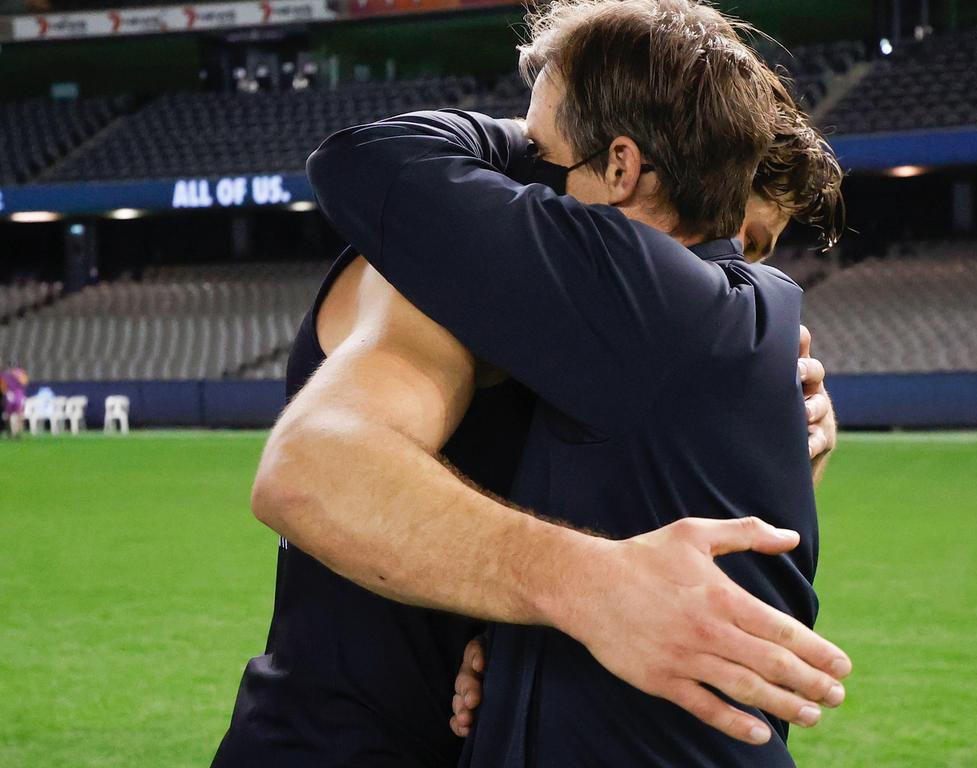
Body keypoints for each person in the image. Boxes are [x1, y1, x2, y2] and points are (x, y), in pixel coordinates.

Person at [212, 2, 846, 766]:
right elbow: (314, 474)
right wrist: (582, 588)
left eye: (752, 248)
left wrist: (521, 650)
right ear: (625, 166)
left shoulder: (668, 327)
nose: (724, 263)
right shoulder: (442, 277)